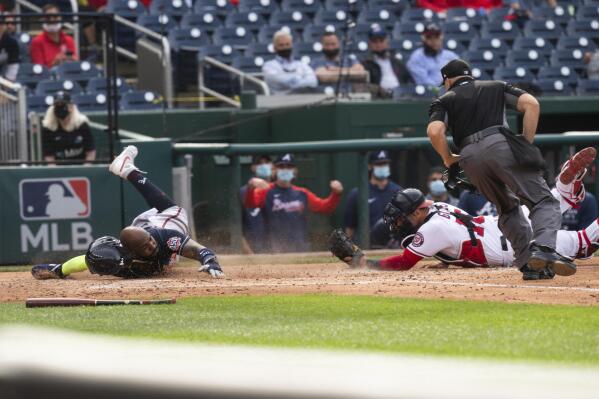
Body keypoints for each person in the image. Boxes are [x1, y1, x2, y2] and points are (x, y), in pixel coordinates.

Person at [331, 147, 598, 280]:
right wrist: (449, 260)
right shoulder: (437, 209)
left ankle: (564, 188)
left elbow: (403, 263)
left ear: (421, 209)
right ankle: (563, 185)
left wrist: (362, 262)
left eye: (404, 216)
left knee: (585, 245)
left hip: (514, 247)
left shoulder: (431, 229)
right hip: (506, 224)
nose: (400, 222)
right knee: (547, 206)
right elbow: (454, 241)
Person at [427, 58, 584, 278]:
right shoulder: (496, 86)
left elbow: (435, 132)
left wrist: (448, 158)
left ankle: (528, 264)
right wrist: (525, 144)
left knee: (507, 208)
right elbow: (532, 104)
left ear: (448, 80)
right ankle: (545, 248)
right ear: (469, 75)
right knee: (542, 200)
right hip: (501, 144)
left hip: (469, 156)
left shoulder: (444, 99)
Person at [31, 145, 224, 280]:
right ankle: (127, 170)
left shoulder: (164, 238)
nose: (152, 245)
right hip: (140, 227)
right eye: (147, 246)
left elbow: (198, 249)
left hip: (162, 223)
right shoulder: (120, 257)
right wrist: (60, 270)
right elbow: (87, 260)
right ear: (133, 251)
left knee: (176, 210)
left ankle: (128, 170)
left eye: (150, 241)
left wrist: (209, 260)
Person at [243, 153, 343, 252]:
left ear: (295, 170)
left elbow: (325, 207)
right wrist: (251, 187)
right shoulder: (266, 191)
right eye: (281, 166)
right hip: (274, 250)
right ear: (275, 169)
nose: (285, 169)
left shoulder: (302, 193)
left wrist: (336, 194)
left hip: (300, 248)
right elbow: (250, 204)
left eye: (289, 166)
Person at [343, 150, 402, 247]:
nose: (383, 167)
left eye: (385, 164)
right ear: (370, 166)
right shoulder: (357, 193)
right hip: (367, 246)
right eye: (379, 164)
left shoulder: (398, 192)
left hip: (393, 246)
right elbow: (350, 228)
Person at [41, 91, 96, 164]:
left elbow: (90, 153)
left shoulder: (81, 124)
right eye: (57, 105)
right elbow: (49, 157)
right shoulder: (48, 128)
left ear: (71, 107)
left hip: (81, 169)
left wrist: (85, 170)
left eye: (63, 105)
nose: (60, 108)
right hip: (59, 171)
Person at [361, 24, 413, 98]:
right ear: (369, 44)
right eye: (375, 42)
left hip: (401, 96)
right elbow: (362, 85)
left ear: (387, 42)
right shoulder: (366, 63)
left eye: (381, 41)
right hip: (379, 99)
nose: (378, 45)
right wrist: (377, 89)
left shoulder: (396, 61)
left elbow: (409, 80)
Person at [262, 30, 318, 94]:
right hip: (279, 102)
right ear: (275, 48)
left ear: (292, 46)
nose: (285, 47)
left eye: (287, 44)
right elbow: (288, 83)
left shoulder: (301, 64)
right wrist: (302, 79)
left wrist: (295, 80)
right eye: (281, 45)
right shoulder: (268, 66)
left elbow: (313, 82)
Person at [406, 23, 458, 88]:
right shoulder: (417, 57)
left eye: (436, 36)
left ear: (441, 37)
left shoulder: (450, 55)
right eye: (429, 37)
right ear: (423, 39)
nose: (434, 41)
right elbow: (425, 83)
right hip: (430, 96)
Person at [240, 154, 273, 254]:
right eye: (259, 163)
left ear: (272, 166)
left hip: (280, 247)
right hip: (256, 249)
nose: (264, 166)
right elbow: (237, 227)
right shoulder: (243, 192)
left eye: (267, 162)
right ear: (252, 167)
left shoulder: (278, 189)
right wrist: (250, 253)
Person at [29, 4, 78, 68]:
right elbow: (39, 70)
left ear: (60, 18)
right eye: (48, 17)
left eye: (55, 16)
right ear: (43, 19)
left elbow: (76, 63)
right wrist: (55, 62)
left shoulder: (69, 40)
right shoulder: (37, 42)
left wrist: (73, 59)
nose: (51, 20)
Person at [0, 13, 18, 81]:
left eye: (1, 24)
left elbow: (13, 67)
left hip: (4, 80)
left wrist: (7, 84)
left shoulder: (11, 42)